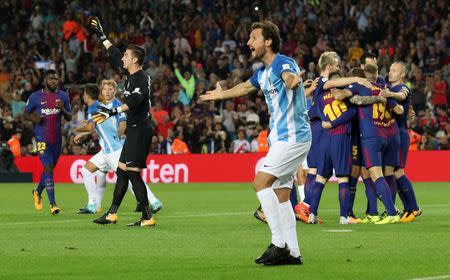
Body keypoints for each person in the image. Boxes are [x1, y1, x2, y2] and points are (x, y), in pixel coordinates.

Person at [200, 20, 311, 266]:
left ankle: (278, 243)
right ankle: (293, 252)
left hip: (292, 138)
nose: (249, 42)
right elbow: (244, 87)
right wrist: (221, 94)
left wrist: (293, 81)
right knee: (282, 195)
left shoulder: (282, 62)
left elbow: (290, 77)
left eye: (254, 38)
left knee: (260, 182)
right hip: (283, 139)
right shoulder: (262, 72)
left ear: (268, 41)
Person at [89, 17, 155, 227]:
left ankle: (147, 216)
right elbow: (115, 55)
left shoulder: (142, 78)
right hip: (134, 130)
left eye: (127, 56)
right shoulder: (130, 74)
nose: (123, 58)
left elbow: (134, 101)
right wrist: (103, 37)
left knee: (133, 174)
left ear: (135, 60)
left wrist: (112, 111)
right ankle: (112, 214)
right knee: (122, 172)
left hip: (141, 130)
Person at [74, 81, 162, 214]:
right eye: (105, 89)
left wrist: (78, 129)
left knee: (130, 177)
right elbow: (96, 126)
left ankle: (154, 201)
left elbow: (122, 125)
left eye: (110, 89)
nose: (107, 92)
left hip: (114, 149)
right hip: (106, 150)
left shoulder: (114, 106)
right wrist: (84, 132)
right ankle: (93, 205)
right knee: (88, 170)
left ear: (114, 91)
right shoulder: (101, 106)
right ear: (101, 91)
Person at [24, 70, 72, 215]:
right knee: (49, 169)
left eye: (56, 79)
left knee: (48, 170)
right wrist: (35, 119)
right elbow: (25, 114)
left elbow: (69, 117)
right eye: (51, 79)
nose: (54, 81)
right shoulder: (35, 96)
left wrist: (62, 108)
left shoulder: (63, 96)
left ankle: (37, 191)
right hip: (41, 138)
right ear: (45, 80)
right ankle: (53, 204)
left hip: (56, 140)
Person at [381, 62, 421, 222]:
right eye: (389, 70)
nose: (390, 73)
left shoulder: (403, 87)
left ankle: (414, 208)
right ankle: (406, 208)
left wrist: (389, 95)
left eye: (394, 70)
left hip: (401, 134)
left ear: (402, 74)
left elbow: (402, 96)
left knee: (398, 172)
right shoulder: (390, 88)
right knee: (390, 173)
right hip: (391, 134)